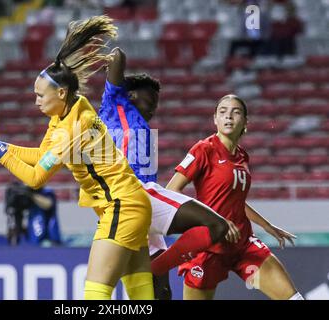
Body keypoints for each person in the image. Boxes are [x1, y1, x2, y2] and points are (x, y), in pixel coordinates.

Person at [0, 16, 154, 300]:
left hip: (121, 207)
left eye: (41, 95)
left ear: (61, 92)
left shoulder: (71, 129)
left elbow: (35, 177)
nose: (37, 101)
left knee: (94, 296)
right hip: (132, 203)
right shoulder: (73, 107)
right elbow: (42, 156)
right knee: (141, 298)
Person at [99, 47, 241, 299]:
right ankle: (155, 266)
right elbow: (118, 55)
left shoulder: (142, 129)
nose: (154, 107)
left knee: (161, 293)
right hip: (135, 194)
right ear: (130, 95)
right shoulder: (114, 105)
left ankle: (154, 269)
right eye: (149, 100)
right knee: (216, 225)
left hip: (140, 207)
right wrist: (92, 46)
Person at [162, 94, 303, 300]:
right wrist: (214, 220)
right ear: (215, 119)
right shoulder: (203, 149)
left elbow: (234, 199)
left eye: (235, 112)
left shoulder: (242, 156)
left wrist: (266, 225)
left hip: (243, 245)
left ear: (245, 122)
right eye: (223, 112)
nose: (228, 117)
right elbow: (171, 191)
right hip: (209, 248)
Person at [5, 181, 61, 246]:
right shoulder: (26, 194)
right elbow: (18, 210)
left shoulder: (47, 191)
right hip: (33, 236)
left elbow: (48, 204)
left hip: (49, 236)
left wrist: (30, 194)